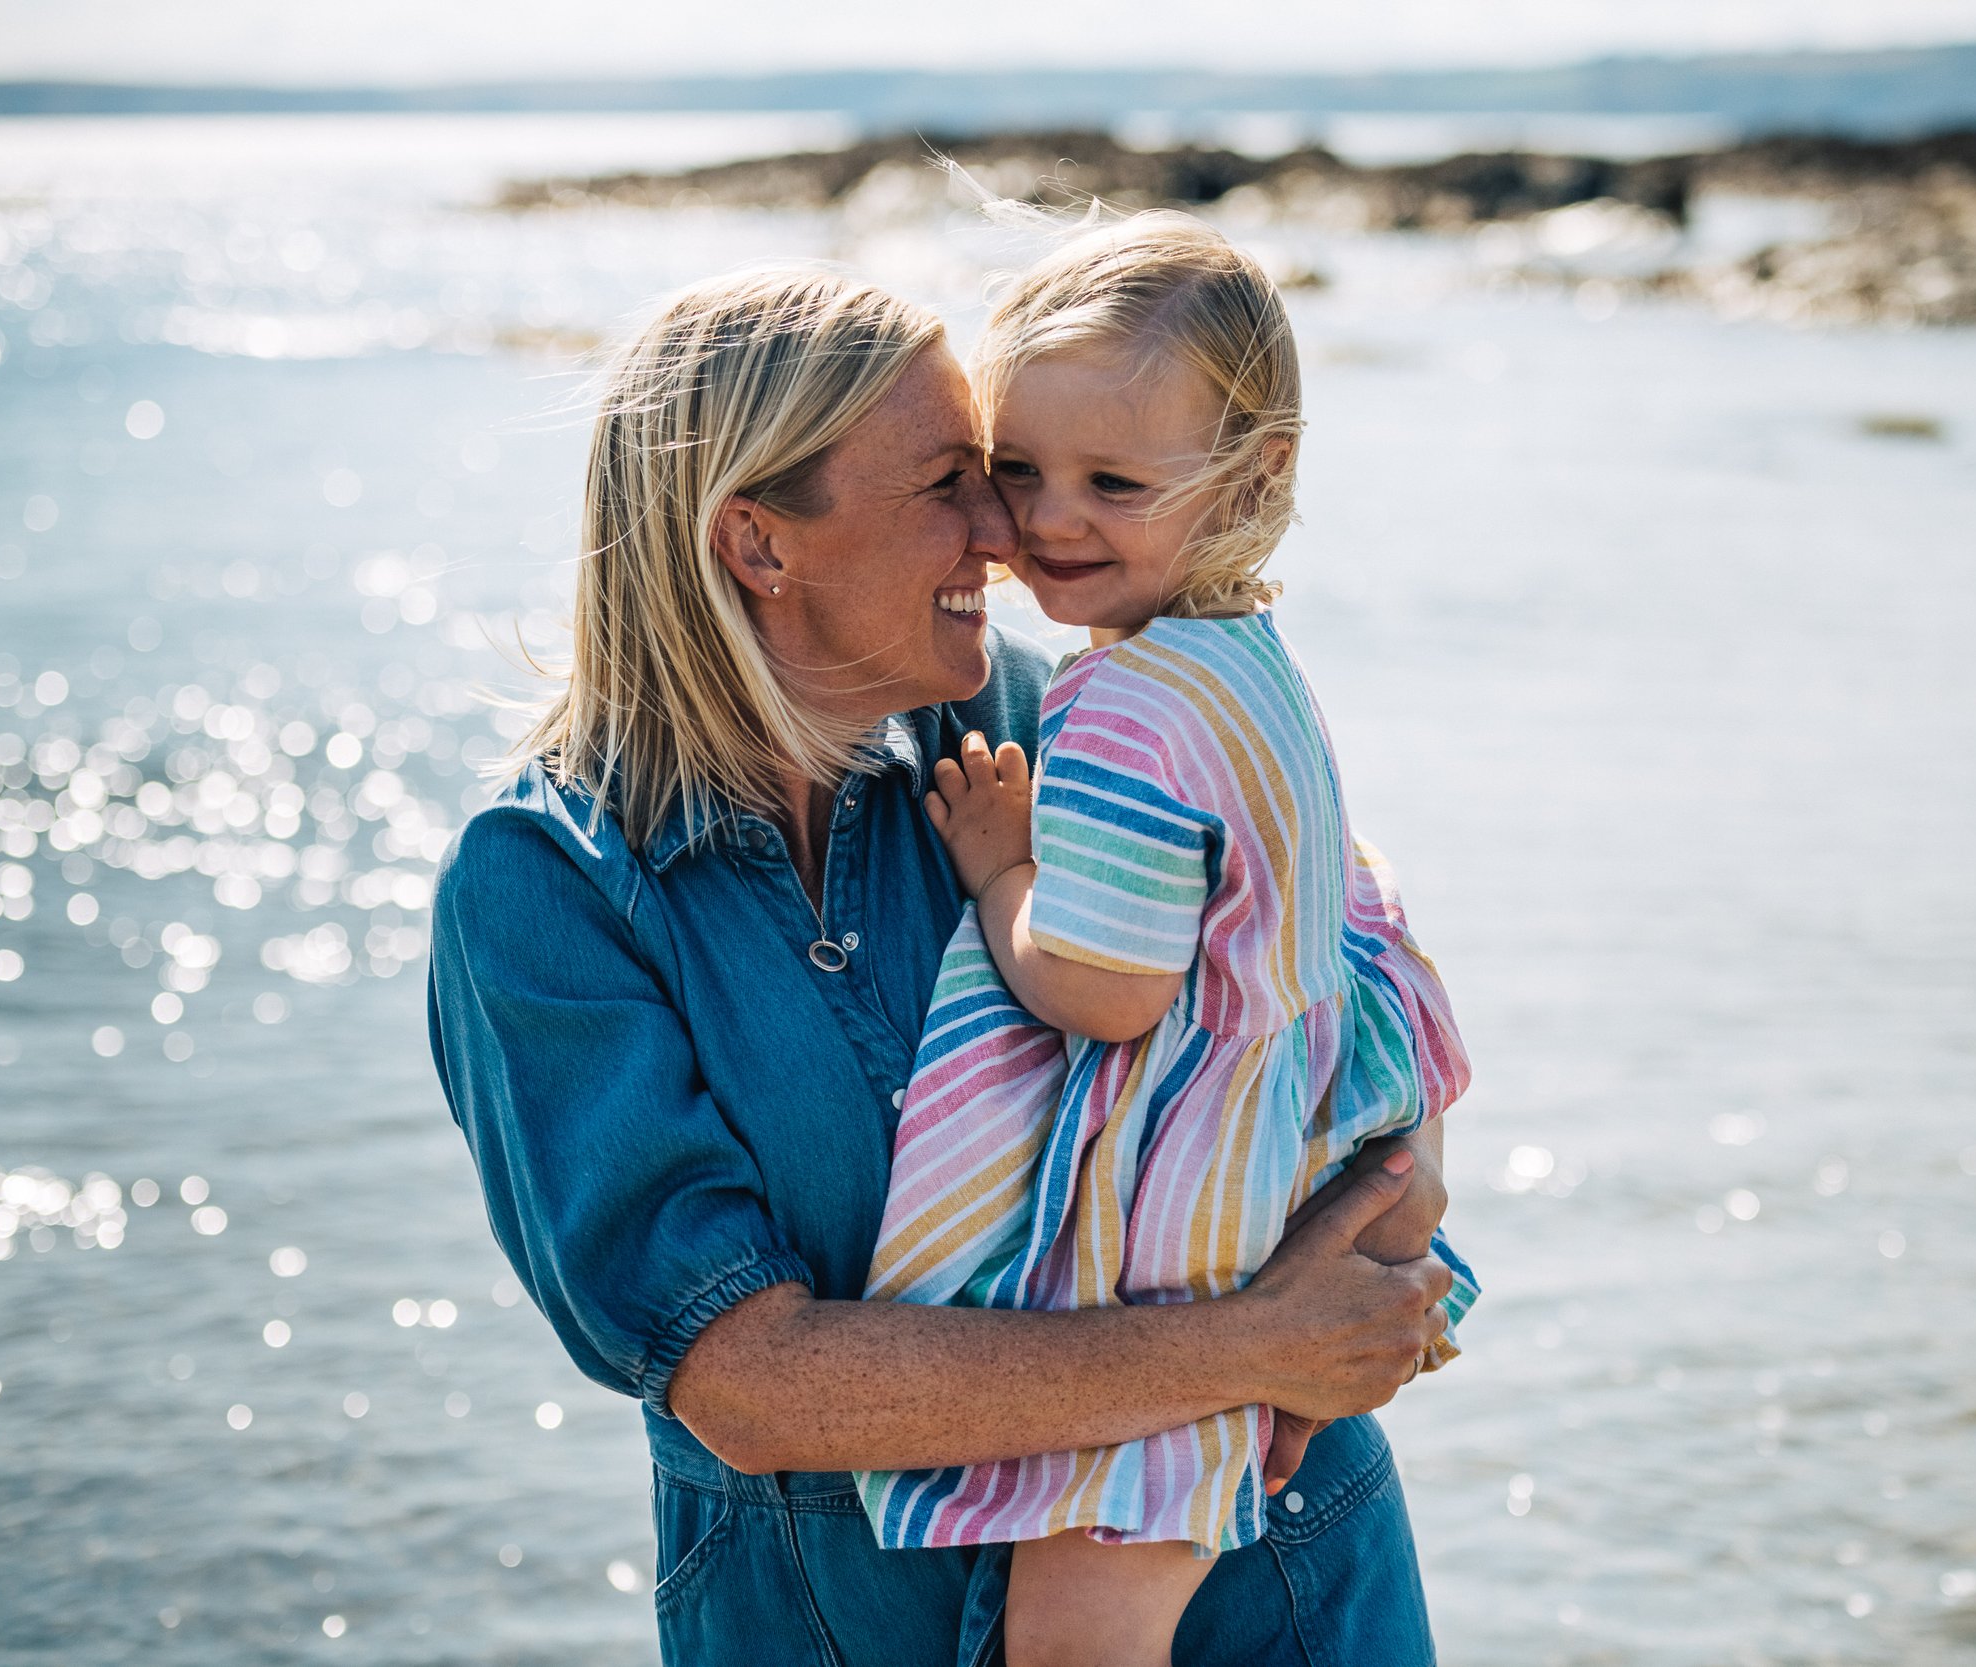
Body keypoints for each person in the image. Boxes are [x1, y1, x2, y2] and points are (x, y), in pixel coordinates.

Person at [426, 265, 1461, 1667]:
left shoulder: (1051, 720)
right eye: (953, 482)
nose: (1013, 527)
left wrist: (1404, 1207)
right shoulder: (548, 888)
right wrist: (1251, 1347)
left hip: (1272, 1588)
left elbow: (1336, 966)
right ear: (757, 542)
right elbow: (749, 1380)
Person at [855, 215, 1475, 1667]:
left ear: (1253, 477)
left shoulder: (1123, 709)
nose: (1049, 520)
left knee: (1080, 1620)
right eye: (1018, 470)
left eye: (1112, 483)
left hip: (1187, 1223)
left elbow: (1109, 995)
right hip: (1298, 1132)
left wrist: (1005, 873)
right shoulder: (1247, 659)